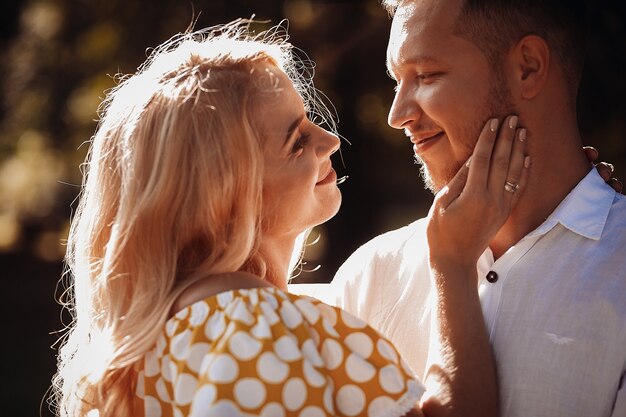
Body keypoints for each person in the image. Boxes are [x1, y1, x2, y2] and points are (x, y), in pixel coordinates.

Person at [50, 20, 532, 417]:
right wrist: (452, 261)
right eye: (297, 141)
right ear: (226, 195)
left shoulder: (168, 334)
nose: (330, 142)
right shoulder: (255, 327)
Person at [293, 1, 626, 416]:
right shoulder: (372, 274)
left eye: (427, 75)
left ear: (528, 67)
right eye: (397, 81)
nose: (397, 115)